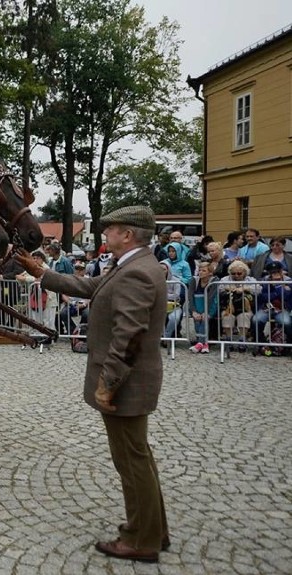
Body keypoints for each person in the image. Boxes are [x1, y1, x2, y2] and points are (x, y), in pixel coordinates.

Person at [14, 205, 169, 563]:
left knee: (131, 462)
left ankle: (141, 541)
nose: (105, 234)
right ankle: (153, 530)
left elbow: (128, 337)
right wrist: (42, 272)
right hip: (131, 384)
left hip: (126, 386)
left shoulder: (136, 272)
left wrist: (108, 384)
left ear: (127, 234)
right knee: (138, 458)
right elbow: (89, 287)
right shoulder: (133, 265)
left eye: (110, 229)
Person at [252, 261, 292, 348]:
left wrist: (276, 285)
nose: (275, 274)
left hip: (282, 309)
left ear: (281, 271)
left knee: (286, 322)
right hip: (266, 308)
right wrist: (278, 291)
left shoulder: (289, 281)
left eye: (277, 271)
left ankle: (289, 344)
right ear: (269, 272)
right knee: (256, 320)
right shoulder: (263, 281)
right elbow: (262, 297)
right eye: (272, 272)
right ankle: (260, 343)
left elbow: (286, 296)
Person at [218, 261, 257, 349]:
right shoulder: (225, 279)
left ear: (245, 272)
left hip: (246, 307)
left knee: (244, 316)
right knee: (227, 316)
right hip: (229, 307)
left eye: (239, 273)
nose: (236, 275)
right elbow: (218, 288)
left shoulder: (250, 280)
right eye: (233, 273)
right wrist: (227, 287)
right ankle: (229, 339)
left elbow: (258, 289)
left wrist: (246, 288)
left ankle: (242, 340)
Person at [188, 261, 219, 353]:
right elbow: (190, 296)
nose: (200, 272)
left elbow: (210, 298)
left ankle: (199, 343)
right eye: (199, 270)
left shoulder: (214, 280)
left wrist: (205, 312)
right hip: (196, 306)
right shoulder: (194, 280)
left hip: (209, 307)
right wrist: (193, 311)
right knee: (197, 319)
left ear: (210, 273)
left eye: (204, 271)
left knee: (205, 319)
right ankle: (204, 344)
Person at [159, 260, 184, 342]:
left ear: (168, 270)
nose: (161, 271)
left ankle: (166, 337)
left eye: (164, 269)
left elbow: (176, 295)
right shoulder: (154, 280)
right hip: (159, 305)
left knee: (174, 318)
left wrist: (163, 295)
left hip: (174, 305)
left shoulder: (176, 280)